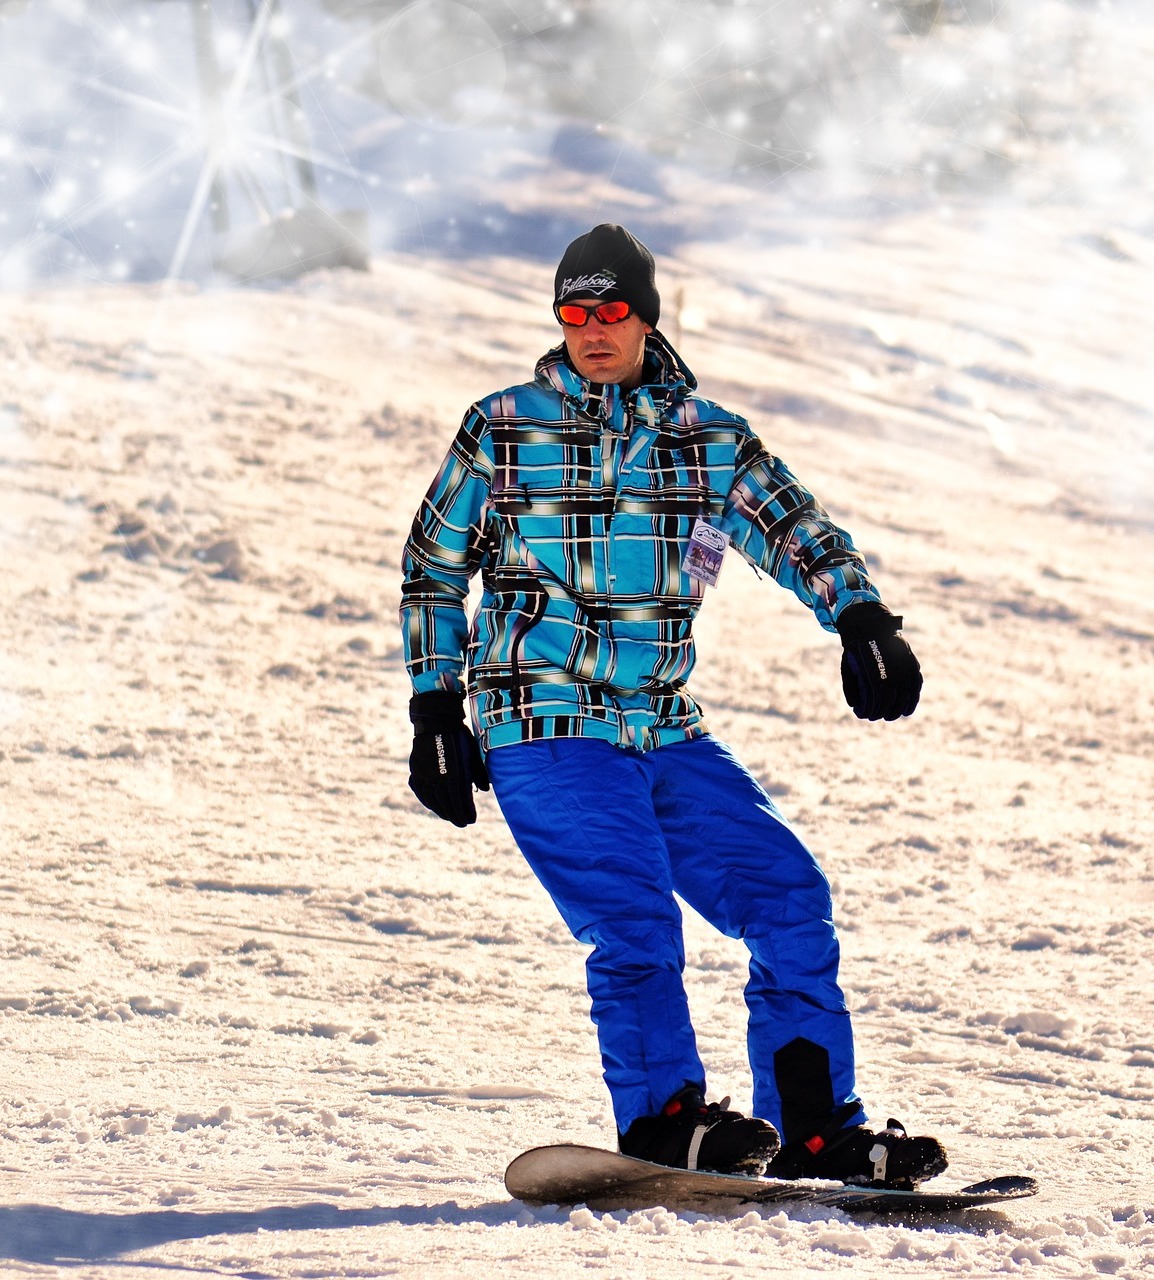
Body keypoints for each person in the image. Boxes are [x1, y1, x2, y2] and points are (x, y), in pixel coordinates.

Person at [400, 224, 946, 1187]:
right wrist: (435, 711)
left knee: (787, 901)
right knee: (636, 923)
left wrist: (860, 616)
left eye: (611, 309)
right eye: (574, 311)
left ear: (647, 318)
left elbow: (794, 527)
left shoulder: (709, 438)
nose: (592, 328)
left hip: (662, 723)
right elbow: (434, 571)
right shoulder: (502, 425)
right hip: (545, 720)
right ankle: (661, 1123)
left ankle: (812, 1125)